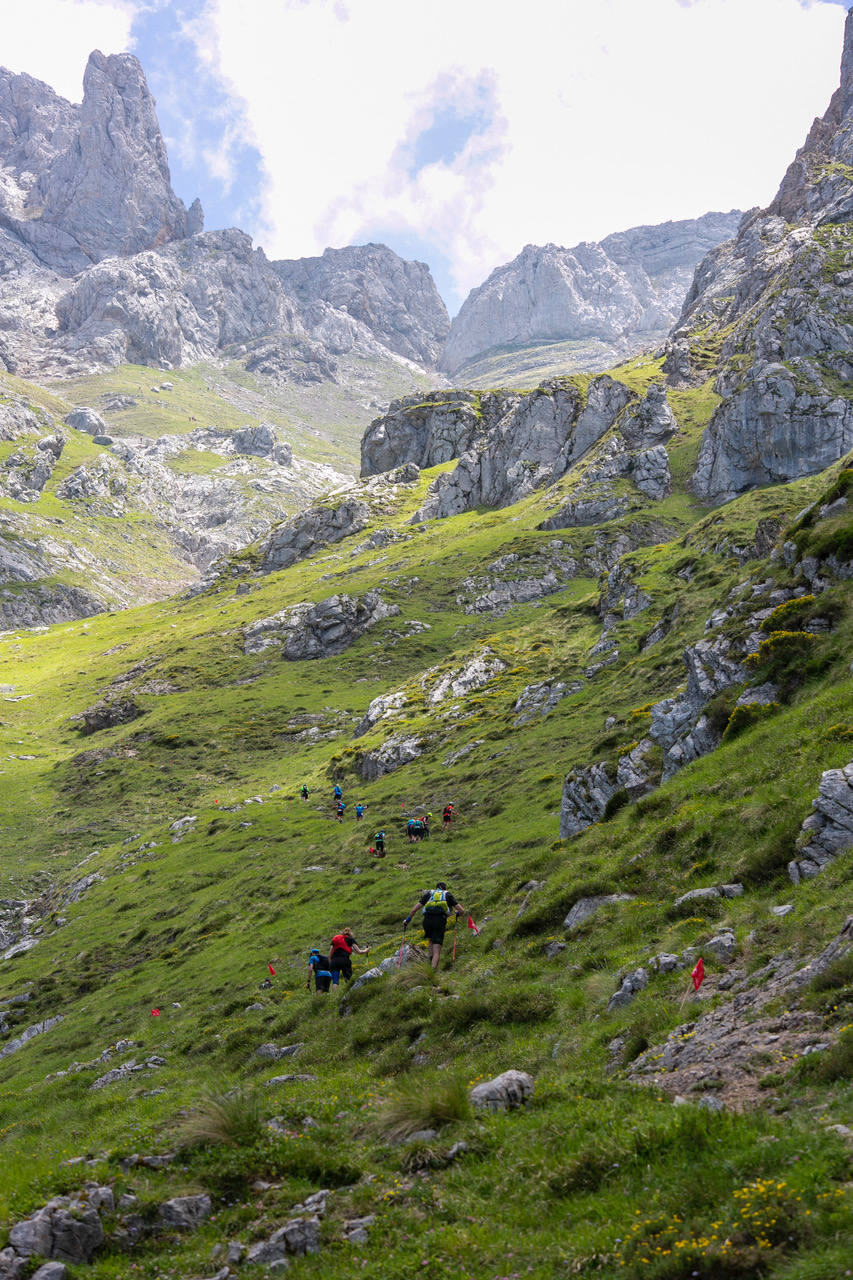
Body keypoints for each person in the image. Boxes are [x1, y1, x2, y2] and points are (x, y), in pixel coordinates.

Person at [404, 881, 466, 970]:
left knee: (431, 940)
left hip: (427, 920)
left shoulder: (429, 893)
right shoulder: (447, 894)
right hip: (440, 920)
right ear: (445, 888)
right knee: (437, 948)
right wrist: (457, 914)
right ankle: (432, 971)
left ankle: (430, 960)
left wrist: (407, 920)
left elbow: (414, 910)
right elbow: (461, 911)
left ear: (436, 887)